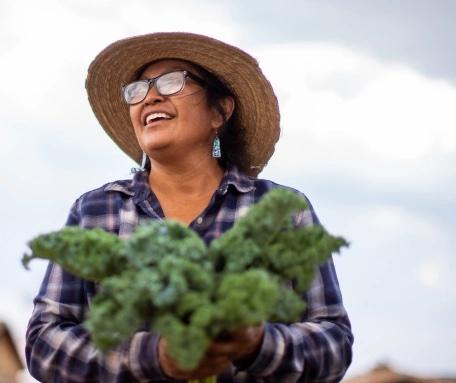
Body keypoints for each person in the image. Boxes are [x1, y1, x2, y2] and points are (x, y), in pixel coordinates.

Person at [25, 32, 353, 382]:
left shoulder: (280, 211)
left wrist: (257, 345)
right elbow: (43, 343)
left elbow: (334, 343)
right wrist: (153, 356)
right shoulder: (96, 211)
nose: (149, 96)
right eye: (137, 90)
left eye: (170, 82)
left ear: (220, 111)